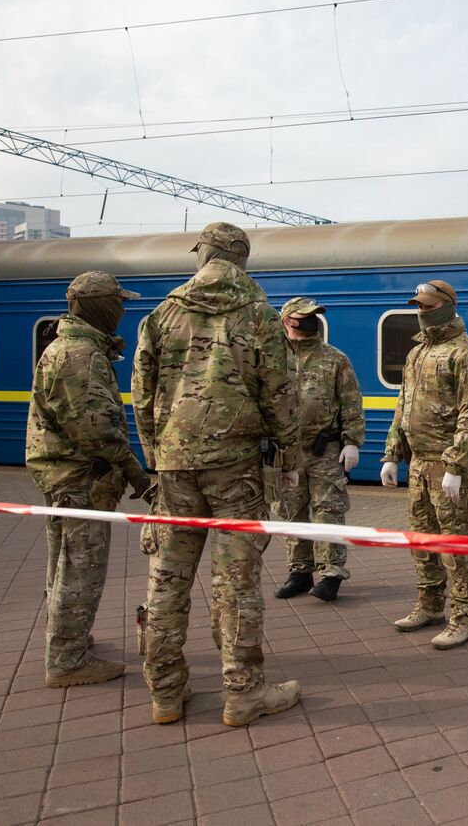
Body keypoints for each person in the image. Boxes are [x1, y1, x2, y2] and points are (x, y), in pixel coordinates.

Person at [132, 221, 305, 727]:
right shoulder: (259, 316)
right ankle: (243, 693)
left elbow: (141, 397)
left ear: (204, 254)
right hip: (236, 471)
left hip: (174, 469)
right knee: (235, 585)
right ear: (242, 261)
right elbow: (281, 397)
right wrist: (288, 463)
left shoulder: (162, 315)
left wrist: (156, 456)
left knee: (166, 581)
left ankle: (166, 694)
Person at [26, 271, 152, 688]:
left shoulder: (77, 348)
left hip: (69, 474)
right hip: (79, 478)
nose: (121, 310)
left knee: (65, 564)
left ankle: (68, 641)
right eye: (117, 302)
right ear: (100, 305)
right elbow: (96, 429)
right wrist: (137, 474)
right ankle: (67, 659)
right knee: (81, 567)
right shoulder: (80, 354)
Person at [381, 280, 468, 649]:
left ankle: (465, 618)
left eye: (428, 307)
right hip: (418, 466)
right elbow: (404, 405)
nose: (421, 313)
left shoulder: (467, 354)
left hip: (449, 470)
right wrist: (392, 454)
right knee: (422, 543)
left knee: (456, 548)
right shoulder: (417, 354)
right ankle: (429, 605)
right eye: (419, 306)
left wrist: (457, 466)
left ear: (447, 306)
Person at [272, 296, 365, 602]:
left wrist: (352, 441)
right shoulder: (272, 358)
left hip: (324, 448)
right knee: (292, 511)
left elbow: (351, 400)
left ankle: (331, 573)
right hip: (286, 451)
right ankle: (299, 571)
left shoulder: (334, 358)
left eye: (315, 315)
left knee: (329, 510)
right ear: (288, 320)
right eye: (305, 316)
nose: (312, 320)